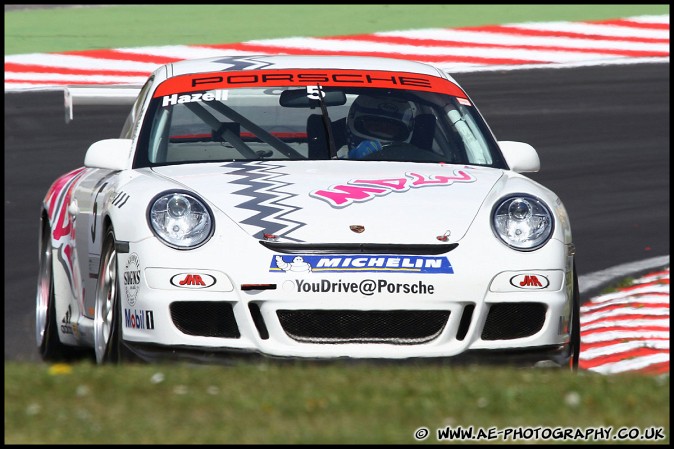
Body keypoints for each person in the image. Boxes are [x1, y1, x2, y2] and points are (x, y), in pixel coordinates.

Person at [345, 94, 416, 159]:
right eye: (375, 126)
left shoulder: (417, 165)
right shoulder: (335, 167)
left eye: (390, 129)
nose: (382, 131)